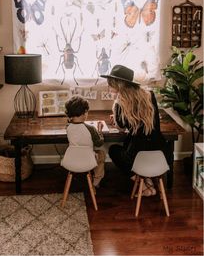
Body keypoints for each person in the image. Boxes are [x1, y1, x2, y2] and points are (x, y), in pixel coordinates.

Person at [101, 64, 169, 197]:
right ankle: (148, 180)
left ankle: (143, 186)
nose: (109, 87)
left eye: (110, 84)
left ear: (118, 85)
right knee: (132, 144)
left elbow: (121, 127)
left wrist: (116, 115)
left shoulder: (120, 103)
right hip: (160, 150)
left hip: (137, 152)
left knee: (114, 150)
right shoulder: (150, 95)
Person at [62, 95, 106, 188]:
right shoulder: (90, 129)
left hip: (71, 159)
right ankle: (96, 181)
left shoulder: (68, 127)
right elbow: (99, 143)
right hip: (87, 159)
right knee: (101, 153)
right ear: (84, 113)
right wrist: (100, 131)